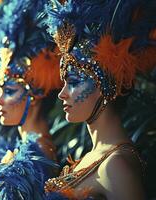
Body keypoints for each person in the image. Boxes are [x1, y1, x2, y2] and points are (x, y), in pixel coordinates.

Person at [43, 0, 156, 199]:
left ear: (107, 86)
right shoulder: (92, 157)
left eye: (74, 82)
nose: (62, 94)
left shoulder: (114, 165)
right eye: (64, 82)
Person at [0, 0, 62, 199]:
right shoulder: (23, 152)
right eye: (0, 91)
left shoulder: (35, 159)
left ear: (35, 94)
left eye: (9, 91)